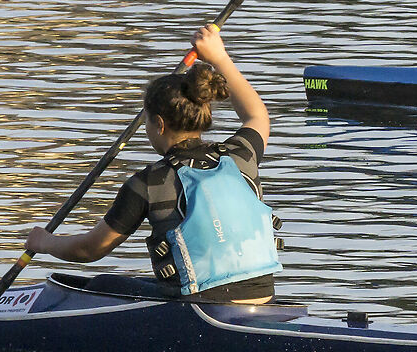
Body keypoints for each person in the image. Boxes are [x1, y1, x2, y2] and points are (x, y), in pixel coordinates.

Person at [24, 24, 280, 302]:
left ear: (159, 124)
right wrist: (220, 58)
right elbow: (257, 115)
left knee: (103, 283)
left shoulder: (148, 183)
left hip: (200, 312)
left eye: (147, 121)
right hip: (264, 301)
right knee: (144, 283)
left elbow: (91, 250)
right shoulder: (240, 155)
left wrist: (44, 242)